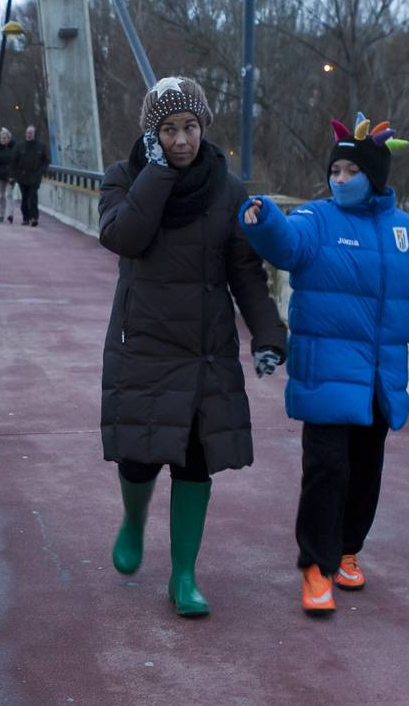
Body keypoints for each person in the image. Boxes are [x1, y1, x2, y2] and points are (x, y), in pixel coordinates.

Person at [239, 114, 409, 616]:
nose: (339, 180)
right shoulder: (316, 220)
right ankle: (316, 567)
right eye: (335, 171)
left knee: (366, 474)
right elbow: (286, 243)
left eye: (351, 171)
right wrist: (264, 221)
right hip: (325, 377)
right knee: (326, 470)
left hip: (379, 386)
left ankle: (347, 551)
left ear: (375, 176)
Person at [98, 76, 286, 617]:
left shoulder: (227, 189)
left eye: (190, 127)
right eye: (170, 129)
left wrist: (269, 337)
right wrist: (155, 172)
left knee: (195, 462)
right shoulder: (123, 178)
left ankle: (184, 575)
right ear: (153, 134)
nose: (182, 140)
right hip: (145, 343)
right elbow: (123, 237)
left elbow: (246, 275)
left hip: (205, 347)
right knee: (138, 454)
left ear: (204, 127)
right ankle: (133, 522)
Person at [10, 125, 49, 227]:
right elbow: (14, 161)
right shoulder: (19, 146)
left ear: (34, 134)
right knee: (25, 198)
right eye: (27, 133)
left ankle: (34, 217)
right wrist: (13, 176)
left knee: (33, 197)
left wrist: (42, 171)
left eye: (31, 133)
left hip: (35, 176)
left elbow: (46, 161)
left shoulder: (41, 146)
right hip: (22, 177)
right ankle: (26, 217)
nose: (29, 135)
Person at [0, 127, 17, 223]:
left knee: (9, 195)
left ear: (8, 138)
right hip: (1, 175)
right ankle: (1, 215)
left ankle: (10, 215)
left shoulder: (14, 148)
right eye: (2, 138)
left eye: (5, 138)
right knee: (2, 196)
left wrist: (13, 174)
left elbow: (16, 162)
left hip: (11, 175)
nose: (3, 140)